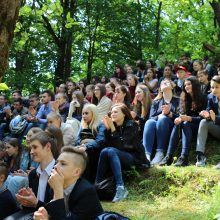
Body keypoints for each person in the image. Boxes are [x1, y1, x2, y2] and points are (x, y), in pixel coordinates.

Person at [96, 103, 148, 202]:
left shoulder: (131, 125)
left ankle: (121, 188)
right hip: (117, 155)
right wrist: (107, 130)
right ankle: (97, 185)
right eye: (111, 112)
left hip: (134, 157)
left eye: (116, 112)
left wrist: (112, 129)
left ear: (124, 114)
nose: (112, 114)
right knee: (104, 151)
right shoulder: (113, 125)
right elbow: (106, 146)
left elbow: (122, 147)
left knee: (110, 151)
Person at [33, 146, 103, 220]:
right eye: (57, 162)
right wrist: (36, 204)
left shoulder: (86, 192)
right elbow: (54, 211)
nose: (55, 166)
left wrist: (58, 190)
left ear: (76, 172)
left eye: (63, 164)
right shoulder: (55, 184)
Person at [160, 77, 206, 166]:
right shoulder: (185, 99)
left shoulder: (204, 98)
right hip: (186, 126)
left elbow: (204, 119)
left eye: (189, 84)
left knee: (185, 123)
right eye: (185, 85)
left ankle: (184, 157)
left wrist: (189, 118)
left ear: (195, 85)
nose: (186, 87)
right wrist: (172, 115)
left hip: (200, 127)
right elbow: (182, 116)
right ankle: (168, 156)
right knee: (178, 123)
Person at [12, 130, 60, 216]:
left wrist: (35, 202)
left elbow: (57, 212)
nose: (31, 152)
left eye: (35, 147)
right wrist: (26, 200)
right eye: (30, 148)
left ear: (48, 146)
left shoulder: (59, 173)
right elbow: (31, 208)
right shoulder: (33, 174)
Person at [143, 79, 179, 165]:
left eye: (167, 82)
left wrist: (169, 114)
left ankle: (160, 153)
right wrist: (160, 115)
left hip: (171, 126)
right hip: (156, 127)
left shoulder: (178, 100)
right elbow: (151, 117)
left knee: (162, 118)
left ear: (172, 86)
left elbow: (180, 116)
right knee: (149, 122)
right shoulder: (156, 102)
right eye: (162, 83)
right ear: (160, 88)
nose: (165, 83)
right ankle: (146, 155)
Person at [75, 104, 105, 182]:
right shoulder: (83, 126)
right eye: (83, 113)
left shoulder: (101, 125)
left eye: (86, 113)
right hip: (82, 151)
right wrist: (87, 141)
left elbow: (99, 142)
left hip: (95, 154)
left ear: (93, 113)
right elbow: (77, 141)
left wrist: (86, 144)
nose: (84, 116)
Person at [195, 75, 220, 168]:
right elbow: (208, 112)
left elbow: (215, 118)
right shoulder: (210, 97)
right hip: (217, 129)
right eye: (212, 87)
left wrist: (215, 118)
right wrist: (207, 115)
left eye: (217, 87)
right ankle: (200, 156)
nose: (214, 89)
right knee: (203, 122)